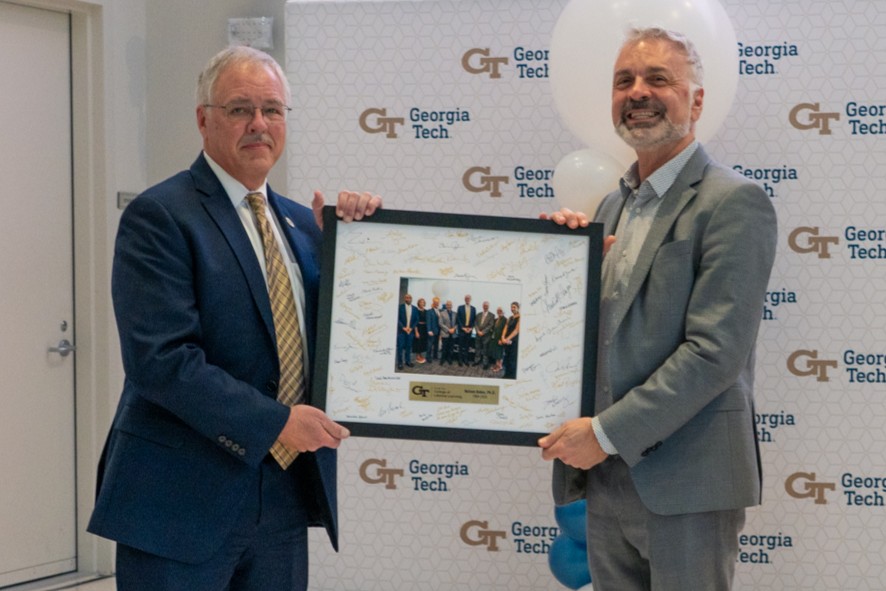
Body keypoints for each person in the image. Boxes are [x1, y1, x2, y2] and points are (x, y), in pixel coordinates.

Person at [87, 46, 381, 591]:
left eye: (272, 110)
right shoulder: (161, 216)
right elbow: (162, 361)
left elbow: (352, 337)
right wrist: (277, 423)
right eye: (240, 109)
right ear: (203, 119)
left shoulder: (303, 224)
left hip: (285, 498)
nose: (259, 124)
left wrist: (357, 244)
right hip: (179, 502)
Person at [538, 27, 777, 591]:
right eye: (624, 81)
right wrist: (552, 270)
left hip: (687, 481)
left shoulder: (734, 202)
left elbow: (714, 353)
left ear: (696, 101)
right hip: (604, 479)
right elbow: (595, 335)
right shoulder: (608, 207)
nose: (637, 91)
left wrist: (606, 432)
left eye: (658, 79)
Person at [396, 293, 419, 369]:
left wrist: (411, 328)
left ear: (411, 299)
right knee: (400, 347)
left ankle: (408, 361)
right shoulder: (400, 307)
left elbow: (416, 320)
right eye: (407, 297)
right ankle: (400, 363)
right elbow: (397, 318)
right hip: (402, 331)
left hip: (410, 331)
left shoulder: (415, 308)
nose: (408, 299)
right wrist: (403, 328)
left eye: (409, 298)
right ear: (405, 299)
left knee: (409, 347)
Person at [500, 302, 520, 379]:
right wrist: (502, 337)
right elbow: (505, 328)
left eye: (514, 307)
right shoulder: (510, 318)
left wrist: (507, 339)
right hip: (507, 342)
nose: (512, 309)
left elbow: (516, 331)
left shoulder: (520, 317)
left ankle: (511, 377)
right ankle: (506, 375)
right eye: (511, 307)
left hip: (514, 342)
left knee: (512, 360)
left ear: (518, 308)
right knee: (507, 359)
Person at [474, 300, 495, 369]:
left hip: (486, 336)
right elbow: (475, 324)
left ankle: (485, 363)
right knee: (477, 348)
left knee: (485, 350)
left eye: (487, 306)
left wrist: (482, 332)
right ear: (482, 306)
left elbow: (490, 325)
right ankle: (477, 361)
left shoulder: (492, 315)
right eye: (484, 306)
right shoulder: (478, 314)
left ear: (488, 307)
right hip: (478, 335)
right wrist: (478, 331)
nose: (485, 307)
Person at [456, 294, 477, 366]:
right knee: (461, 346)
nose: (467, 299)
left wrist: (471, 328)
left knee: (467, 346)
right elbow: (458, 318)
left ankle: (466, 360)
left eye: (469, 298)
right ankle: (460, 360)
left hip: (469, 329)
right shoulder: (460, 307)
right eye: (466, 298)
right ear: (465, 299)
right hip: (462, 329)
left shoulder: (474, 308)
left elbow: (474, 320)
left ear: (470, 299)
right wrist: (463, 328)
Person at [489, 306, 507, 372]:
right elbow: (493, 328)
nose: (499, 312)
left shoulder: (505, 319)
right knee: (496, 354)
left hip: (500, 339)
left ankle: (499, 367)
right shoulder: (496, 319)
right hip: (495, 339)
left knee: (500, 354)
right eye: (498, 311)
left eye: (500, 311)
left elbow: (505, 331)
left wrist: (501, 339)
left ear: (503, 311)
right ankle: (497, 365)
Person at [439, 300, 457, 365]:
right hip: (445, 333)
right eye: (448, 305)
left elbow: (457, 323)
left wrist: (454, 329)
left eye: (450, 305)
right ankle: (442, 359)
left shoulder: (455, 313)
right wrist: (449, 330)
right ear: (446, 306)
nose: (449, 306)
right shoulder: (442, 313)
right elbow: (440, 323)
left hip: (453, 334)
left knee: (451, 348)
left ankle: (449, 359)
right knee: (444, 348)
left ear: (452, 306)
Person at [413, 297, 429, 364]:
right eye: (420, 302)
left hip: (424, 328)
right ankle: (417, 356)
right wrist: (416, 331)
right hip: (418, 327)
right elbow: (414, 321)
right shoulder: (416, 310)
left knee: (422, 342)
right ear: (418, 303)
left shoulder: (426, 311)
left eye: (423, 302)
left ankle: (421, 355)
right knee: (418, 342)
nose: (422, 303)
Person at [426, 296, 441, 363]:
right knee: (430, 345)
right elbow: (428, 321)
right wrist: (429, 330)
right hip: (431, 331)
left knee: (436, 344)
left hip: (438, 331)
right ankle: (428, 357)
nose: (436, 303)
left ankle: (435, 356)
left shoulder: (439, 311)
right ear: (433, 302)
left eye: (437, 302)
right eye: (435, 302)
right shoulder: (429, 311)